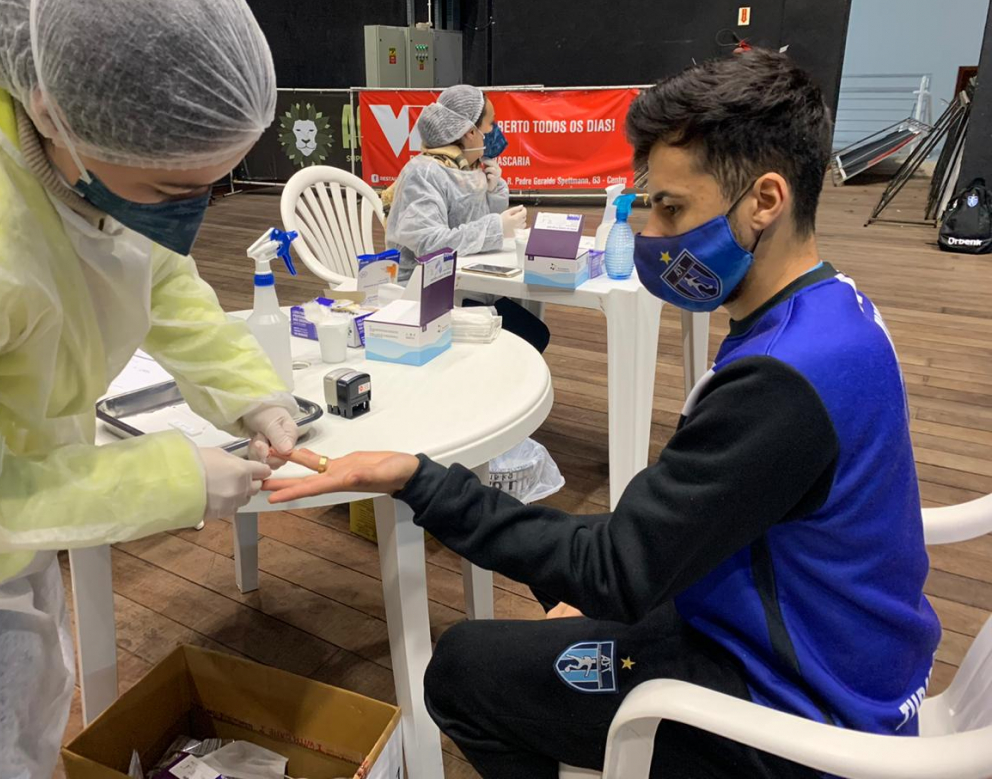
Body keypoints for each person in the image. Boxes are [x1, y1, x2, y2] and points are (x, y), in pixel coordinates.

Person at [262, 51, 942, 777]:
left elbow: (618, 569)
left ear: (765, 201)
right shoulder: (837, 312)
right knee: (565, 585)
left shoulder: (779, 383)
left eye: (672, 208)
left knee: (460, 667)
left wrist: (419, 480)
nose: (650, 233)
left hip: (798, 709)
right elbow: (648, 547)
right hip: (834, 639)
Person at [0, 0, 299, 776]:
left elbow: (143, 251)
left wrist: (245, 385)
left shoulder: (71, 93)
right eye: (173, 187)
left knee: (31, 709)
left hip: (7, 503)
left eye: (213, 188)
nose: (190, 212)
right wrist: (169, 482)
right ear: (52, 114)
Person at [385, 84, 551, 353]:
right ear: (469, 131)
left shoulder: (466, 166)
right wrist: (497, 227)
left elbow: (473, 222)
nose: (494, 131)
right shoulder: (425, 173)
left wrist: (495, 191)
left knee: (535, 332)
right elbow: (430, 244)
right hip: (426, 293)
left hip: (466, 281)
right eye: (490, 124)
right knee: (530, 337)